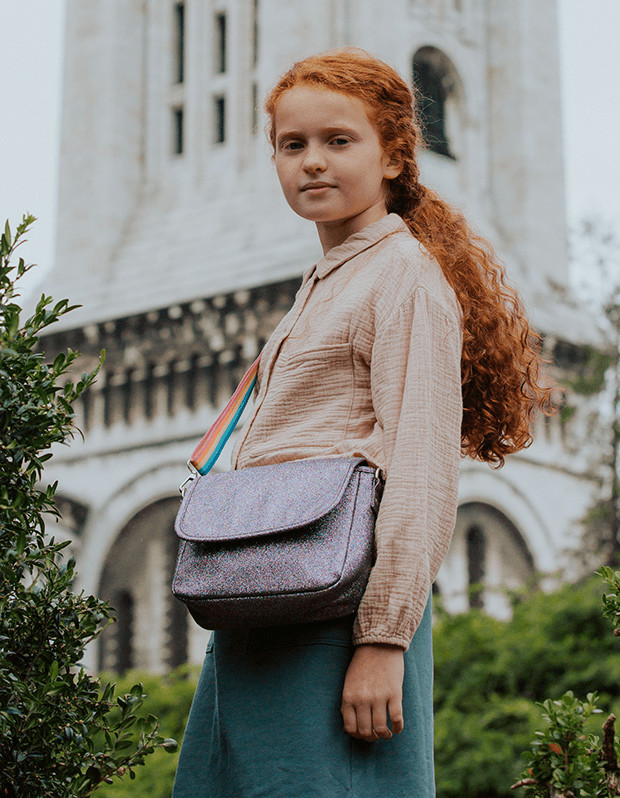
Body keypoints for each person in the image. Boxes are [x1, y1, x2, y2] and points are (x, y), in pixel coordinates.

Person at [172, 49, 552, 797]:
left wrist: (383, 639)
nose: (313, 162)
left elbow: (419, 472)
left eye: (338, 141)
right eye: (293, 145)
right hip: (261, 612)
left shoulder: (402, 276)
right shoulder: (327, 278)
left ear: (394, 156)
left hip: (337, 620)